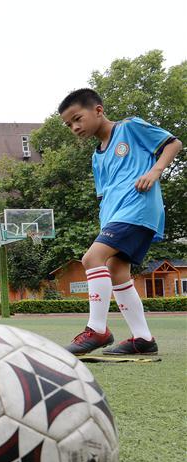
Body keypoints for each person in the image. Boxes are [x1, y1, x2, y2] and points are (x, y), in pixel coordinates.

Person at [58, 88, 181, 355]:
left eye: (78, 118)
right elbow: (104, 196)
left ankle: (98, 330)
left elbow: (174, 143)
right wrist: (104, 226)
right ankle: (143, 339)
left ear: (98, 110)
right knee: (116, 272)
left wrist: (155, 171)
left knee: (91, 258)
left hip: (138, 209)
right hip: (115, 216)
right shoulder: (96, 156)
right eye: (69, 124)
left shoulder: (130, 128)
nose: (74, 127)